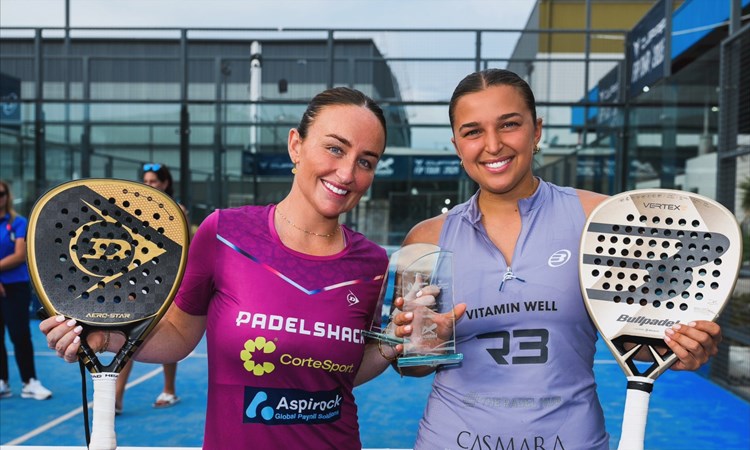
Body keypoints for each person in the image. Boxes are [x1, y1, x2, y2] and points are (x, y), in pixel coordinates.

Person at [40, 87, 402, 449]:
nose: (347, 172)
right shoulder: (225, 233)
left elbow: (344, 370)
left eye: (366, 161)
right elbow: (179, 336)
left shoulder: (372, 264)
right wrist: (105, 339)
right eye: (335, 148)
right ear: (296, 145)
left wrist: (395, 344)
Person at [387, 69, 723, 449]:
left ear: (537, 131)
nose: (493, 145)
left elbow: (642, 342)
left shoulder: (600, 219)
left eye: (509, 124)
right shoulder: (425, 239)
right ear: (457, 144)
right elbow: (409, 364)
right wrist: (424, 346)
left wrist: (682, 348)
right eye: (473, 131)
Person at [114, 163, 187, 414]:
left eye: (154, 181)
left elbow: (179, 252)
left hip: (166, 284)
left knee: (170, 335)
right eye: (145, 181)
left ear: (165, 184)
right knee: (127, 337)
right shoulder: (133, 212)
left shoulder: (177, 212)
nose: (149, 186)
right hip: (137, 283)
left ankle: (169, 390)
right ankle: (117, 398)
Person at [0, 180, 53, 400]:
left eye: (1, 193)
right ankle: (2, 382)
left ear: (7, 196)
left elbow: (20, 255)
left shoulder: (18, 222)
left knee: (20, 334)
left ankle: (29, 381)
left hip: (16, 288)